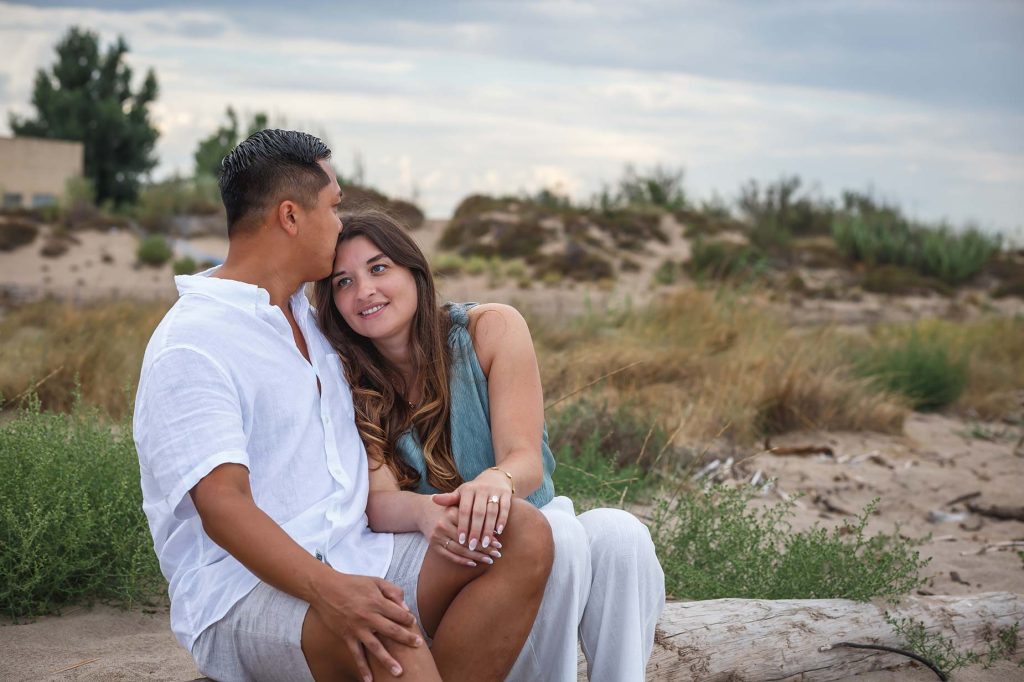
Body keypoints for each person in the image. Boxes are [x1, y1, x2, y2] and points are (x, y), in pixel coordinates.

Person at [134, 129, 555, 682]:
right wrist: (333, 592)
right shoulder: (194, 343)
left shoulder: (309, 319)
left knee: (521, 533)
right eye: (333, 207)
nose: (339, 224)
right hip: (243, 589)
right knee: (385, 633)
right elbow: (223, 508)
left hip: (356, 553)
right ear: (290, 216)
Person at [313, 209, 666, 681]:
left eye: (379, 269)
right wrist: (423, 512)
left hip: (532, 514)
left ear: (414, 271)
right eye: (343, 282)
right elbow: (376, 503)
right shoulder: (348, 378)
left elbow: (525, 460)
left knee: (621, 534)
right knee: (557, 538)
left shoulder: (490, 328)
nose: (364, 292)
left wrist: (494, 481)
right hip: (446, 558)